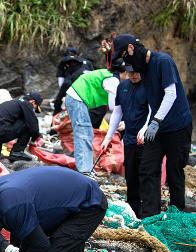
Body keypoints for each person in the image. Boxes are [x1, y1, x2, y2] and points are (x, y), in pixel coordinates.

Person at [112, 34, 192, 217]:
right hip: (157, 129)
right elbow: (149, 102)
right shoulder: (142, 68)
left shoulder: (163, 61)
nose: (125, 62)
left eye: (124, 55)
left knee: (174, 172)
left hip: (178, 127)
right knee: (148, 169)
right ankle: (150, 216)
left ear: (132, 49)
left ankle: (177, 214)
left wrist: (154, 121)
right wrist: (148, 125)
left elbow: (170, 94)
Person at [100, 66, 149, 218]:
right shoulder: (123, 86)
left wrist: (146, 128)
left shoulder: (148, 85)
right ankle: (134, 209)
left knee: (146, 174)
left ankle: (148, 209)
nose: (133, 75)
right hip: (129, 139)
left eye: (136, 72)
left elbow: (152, 109)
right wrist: (108, 136)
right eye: (130, 73)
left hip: (146, 138)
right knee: (131, 173)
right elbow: (117, 112)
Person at [65, 59, 128, 174]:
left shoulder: (109, 74)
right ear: (124, 72)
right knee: (83, 134)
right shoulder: (113, 80)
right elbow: (114, 107)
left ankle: (86, 168)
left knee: (87, 133)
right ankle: (84, 171)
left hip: (77, 98)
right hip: (77, 98)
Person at [0, 93, 43, 161]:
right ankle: (17, 152)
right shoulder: (26, 104)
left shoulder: (14, 102)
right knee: (27, 124)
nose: (34, 110)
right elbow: (33, 126)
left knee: (4, 122)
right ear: (33, 102)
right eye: (35, 107)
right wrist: (35, 139)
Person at [54, 47, 94, 115]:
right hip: (86, 87)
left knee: (59, 103)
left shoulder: (64, 61)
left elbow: (61, 78)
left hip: (70, 84)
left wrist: (62, 93)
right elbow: (92, 76)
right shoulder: (87, 62)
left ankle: (56, 116)